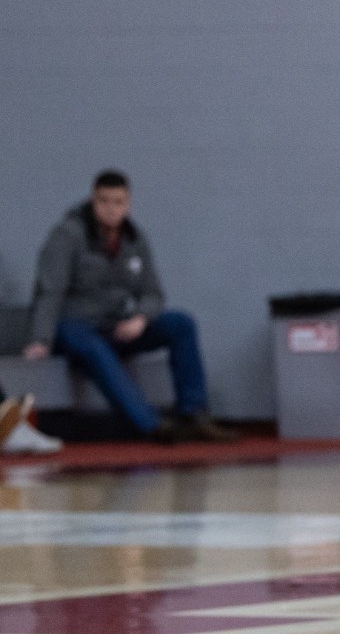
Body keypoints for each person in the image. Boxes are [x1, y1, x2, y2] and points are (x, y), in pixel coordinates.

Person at [24, 171, 234, 443]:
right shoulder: (67, 235)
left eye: (118, 202)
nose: (111, 209)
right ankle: (151, 425)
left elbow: (153, 293)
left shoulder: (134, 239)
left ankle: (193, 413)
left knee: (181, 324)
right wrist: (40, 339)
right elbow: (49, 292)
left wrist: (141, 318)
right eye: (104, 201)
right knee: (94, 347)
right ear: (93, 201)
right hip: (74, 328)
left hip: (116, 324)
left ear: (128, 205)